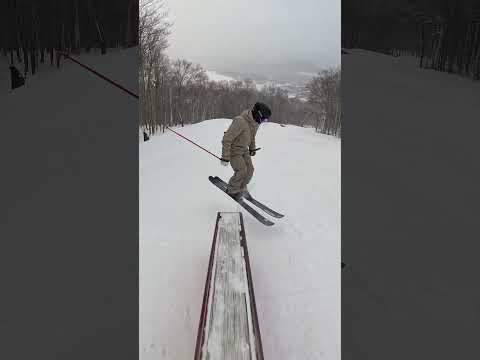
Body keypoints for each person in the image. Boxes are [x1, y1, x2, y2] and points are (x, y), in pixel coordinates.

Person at [220, 102, 272, 200]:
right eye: (264, 119)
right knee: (242, 170)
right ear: (258, 114)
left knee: (250, 170)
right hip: (234, 150)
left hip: (244, 150)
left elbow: (252, 137)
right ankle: (232, 190)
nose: (263, 121)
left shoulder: (255, 123)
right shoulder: (240, 121)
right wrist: (225, 156)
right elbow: (227, 139)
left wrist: (252, 148)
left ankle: (242, 188)